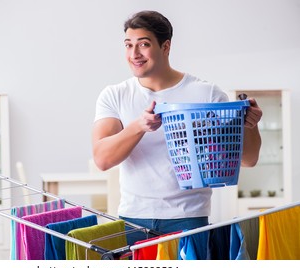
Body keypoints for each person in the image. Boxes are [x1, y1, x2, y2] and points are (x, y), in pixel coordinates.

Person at [92, 10, 262, 243]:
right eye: (128, 45)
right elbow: (102, 159)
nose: (134, 54)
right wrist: (139, 126)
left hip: (189, 219)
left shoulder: (207, 93)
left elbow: (248, 159)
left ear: (165, 47)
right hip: (133, 220)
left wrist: (250, 124)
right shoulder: (115, 95)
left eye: (143, 44)